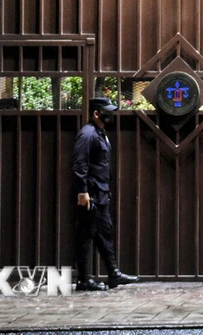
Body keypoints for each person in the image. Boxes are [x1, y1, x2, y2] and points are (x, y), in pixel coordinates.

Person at [72, 96, 139, 291]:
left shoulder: (100, 133)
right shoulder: (87, 134)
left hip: (101, 194)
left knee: (104, 234)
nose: (110, 115)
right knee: (85, 237)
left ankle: (113, 273)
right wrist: (82, 192)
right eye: (107, 112)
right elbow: (79, 164)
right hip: (91, 195)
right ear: (96, 113)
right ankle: (84, 279)